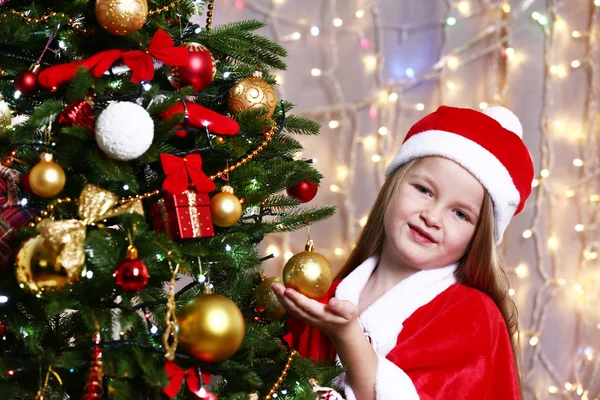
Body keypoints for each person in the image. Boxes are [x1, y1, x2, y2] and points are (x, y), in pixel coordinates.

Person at [272, 105, 534, 400]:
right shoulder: (330, 297)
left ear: (478, 236)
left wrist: (347, 336)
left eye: (460, 214)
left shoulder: (473, 316)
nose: (432, 217)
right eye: (424, 190)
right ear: (393, 187)